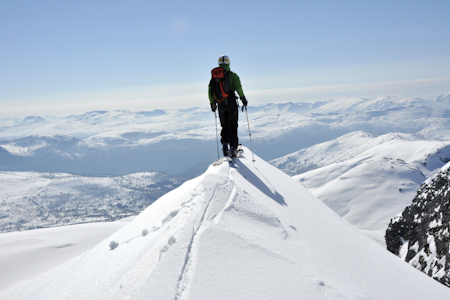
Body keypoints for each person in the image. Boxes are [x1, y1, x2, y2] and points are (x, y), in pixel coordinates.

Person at [208, 55, 248, 157]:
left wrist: (212, 104)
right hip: (231, 104)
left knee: (224, 125)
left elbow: (210, 91)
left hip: (221, 105)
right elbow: (238, 87)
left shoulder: (214, 77)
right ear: (228, 63)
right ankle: (233, 148)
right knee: (233, 125)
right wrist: (243, 98)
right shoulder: (233, 76)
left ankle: (225, 146)